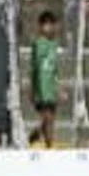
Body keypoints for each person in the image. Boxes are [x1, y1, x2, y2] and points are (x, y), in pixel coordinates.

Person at [29, 9, 61, 149]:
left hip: (51, 89)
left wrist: (59, 88)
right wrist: (32, 90)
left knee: (50, 120)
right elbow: (34, 69)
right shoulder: (38, 44)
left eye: (52, 24)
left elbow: (55, 70)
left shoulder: (54, 45)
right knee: (47, 118)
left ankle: (34, 136)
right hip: (41, 89)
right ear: (41, 27)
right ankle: (49, 145)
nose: (50, 28)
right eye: (46, 25)